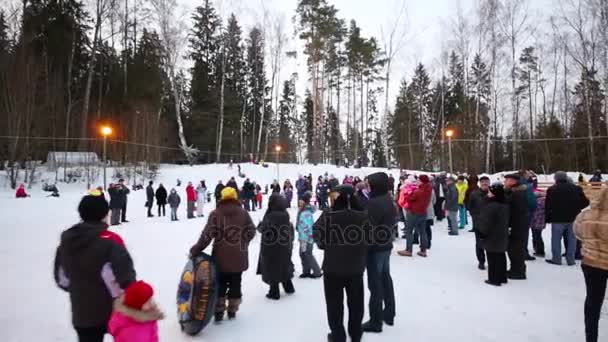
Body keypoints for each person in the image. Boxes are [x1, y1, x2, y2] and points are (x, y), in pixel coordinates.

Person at [53, 190, 138, 342]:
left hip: (82, 312)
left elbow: (62, 279)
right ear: (105, 214)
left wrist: (81, 288)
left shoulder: (66, 242)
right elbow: (126, 278)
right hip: (114, 310)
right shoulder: (111, 240)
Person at [189, 187, 256, 322]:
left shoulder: (216, 214)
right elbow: (252, 231)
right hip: (239, 255)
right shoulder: (243, 213)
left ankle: (218, 312)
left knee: (220, 284)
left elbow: (207, 235)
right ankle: (232, 310)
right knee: (236, 282)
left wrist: (196, 249)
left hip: (220, 256)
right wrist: (243, 243)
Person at [313, 185, 368, 342]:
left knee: (334, 304)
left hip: (333, 267)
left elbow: (316, 232)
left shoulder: (329, 215)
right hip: (355, 267)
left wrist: (324, 244)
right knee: (356, 303)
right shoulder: (363, 215)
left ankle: (338, 335)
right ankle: (356, 333)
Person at [362, 173, 396, 333]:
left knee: (375, 284)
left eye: (369, 185)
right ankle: (389, 312)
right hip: (385, 245)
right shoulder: (387, 199)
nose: (367, 188)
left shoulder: (374, 203)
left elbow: (368, 228)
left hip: (376, 248)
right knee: (385, 278)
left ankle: (376, 321)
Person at [574, 188, 608, 342]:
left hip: (591, 262)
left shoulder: (585, 215)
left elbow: (578, 233)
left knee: (593, 302)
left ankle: (591, 337)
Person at [545, 171, 590, 266]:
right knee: (572, 240)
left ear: (556, 179)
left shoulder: (552, 189)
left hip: (557, 218)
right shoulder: (576, 188)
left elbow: (548, 205)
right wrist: (577, 207)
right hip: (573, 217)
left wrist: (548, 217)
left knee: (556, 239)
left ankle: (556, 259)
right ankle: (571, 260)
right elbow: (586, 202)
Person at [257, 194, 295, 300]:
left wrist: (260, 225)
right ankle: (289, 288)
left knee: (272, 268)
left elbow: (265, 229)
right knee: (284, 265)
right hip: (284, 245)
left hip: (272, 247)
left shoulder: (271, 215)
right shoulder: (285, 214)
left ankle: (274, 292)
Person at [478, 183, 510, 286]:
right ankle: (502, 277)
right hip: (502, 233)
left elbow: (486, 222)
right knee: (501, 255)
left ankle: (494, 279)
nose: (488, 194)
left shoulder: (491, 206)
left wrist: (482, 233)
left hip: (492, 235)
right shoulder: (505, 204)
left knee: (492, 257)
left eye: (490, 192)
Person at [398, 175, 433, 257]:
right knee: (422, 231)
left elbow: (409, 198)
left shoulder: (418, 191)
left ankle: (408, 250)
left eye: (418, 180)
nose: (417, 181)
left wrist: (407, 192)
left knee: (409, 231)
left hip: (413, 212)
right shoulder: (428, 189)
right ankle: (423, 250)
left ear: (422, 181)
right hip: (423, 213)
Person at [504, 174, 529, 280]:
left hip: (517, 226)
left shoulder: (517, 194)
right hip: (518, 225)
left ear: (513, 181)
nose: (504, 182)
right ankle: (516, 269)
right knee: (514, 249)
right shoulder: (515, 192)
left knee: (516, 249)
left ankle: (518, 272)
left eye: (507, 180)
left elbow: (515, 212)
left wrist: (510, 225)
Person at [297, 192, 322, 279]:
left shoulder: (306, 213)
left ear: (305, 202)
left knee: (307, 254)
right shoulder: (302, 211)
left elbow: (307, 227)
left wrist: (306, 238)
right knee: (303, 254)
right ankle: (306, 271)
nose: (299, 204)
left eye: (301, 202)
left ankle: (317, 272)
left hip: (306, 238)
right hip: (302, 237)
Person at [467, 176, 490, 269]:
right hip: (479, 223)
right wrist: (476, 216)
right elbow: (469, 206)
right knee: (479, 243)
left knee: (491, 243)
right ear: (480, 183)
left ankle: (491, 260)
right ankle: (481, 261)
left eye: (486, 182)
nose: (485, 184)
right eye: (483, 182)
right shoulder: (474, 194)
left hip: (491, 223)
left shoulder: (493, 193)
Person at [530, 189, 547, 257]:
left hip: (535, 222)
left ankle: (539, 251)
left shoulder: (536, 202)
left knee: (536, 236)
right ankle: (538, 249)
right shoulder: (546, 202)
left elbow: (534, 213)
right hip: (541, 222)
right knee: (538, 235)